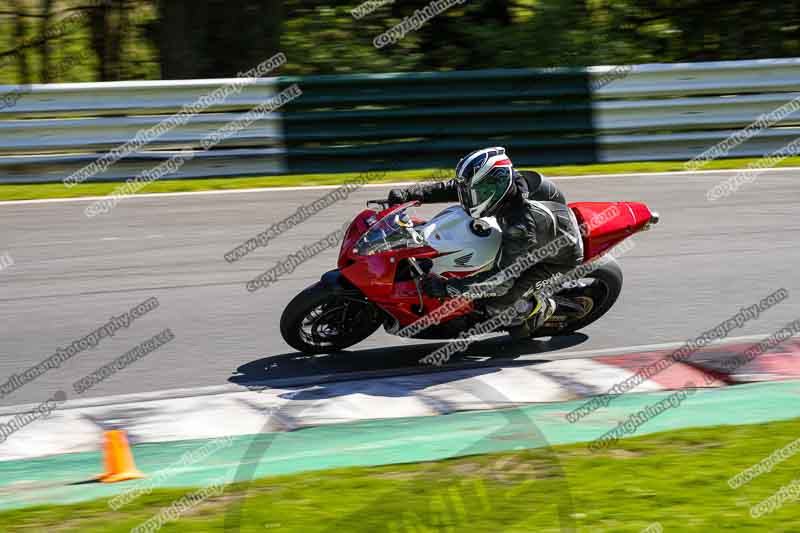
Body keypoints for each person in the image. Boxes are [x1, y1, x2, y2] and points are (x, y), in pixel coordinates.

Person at [387, 147, 583, 338]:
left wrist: (448, 288)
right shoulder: (504, 187)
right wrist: (410, 194)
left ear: (495, 187)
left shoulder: (520, 226)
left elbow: (502, 280)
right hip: (542, 230)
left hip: (556, 259)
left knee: (499, 305)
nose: (467, 196)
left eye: (475, 192)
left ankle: (540, 308)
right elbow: (455, 187)